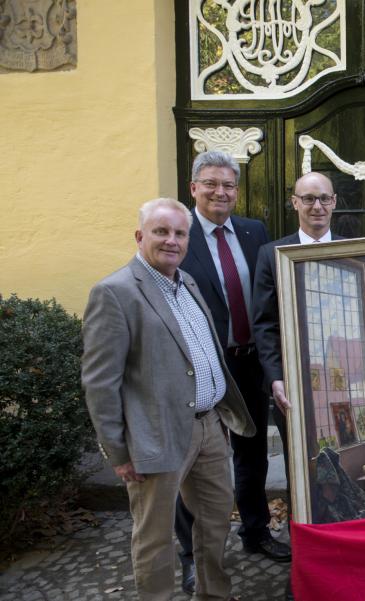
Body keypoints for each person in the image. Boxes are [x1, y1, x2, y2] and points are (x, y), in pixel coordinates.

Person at [82, 198, 255, 600]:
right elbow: (99, 382)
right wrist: (119, 453)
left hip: (209, 426)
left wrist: (221, 414)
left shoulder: (187, 282)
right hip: (154, 436)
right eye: (161, 232)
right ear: (140, 236)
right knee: (154, 536)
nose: (171, 241)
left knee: (215, 521)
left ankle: (214, 594)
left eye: (179, 233)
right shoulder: (115, 293)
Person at [173, 151, 288, 594]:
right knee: (193, 460)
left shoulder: (253, 231)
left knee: (252, 452)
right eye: (211, 184)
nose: (220, 192)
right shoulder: (180, 235)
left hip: (248, 361)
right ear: (193, 188)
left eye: (228, 185)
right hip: (201, 366)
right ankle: (192, 556)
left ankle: (256, 532)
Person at [253, 172, 342, 471]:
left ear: (334, 203)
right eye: (308, 198)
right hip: (293, 382)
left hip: (343, 376)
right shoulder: (271, 255)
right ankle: (300, 520)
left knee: (345, 460)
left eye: (324, 198)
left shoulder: (354, 249)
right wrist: (276, 377)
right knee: (301, 466)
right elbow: (264, 324)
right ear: (294, 203)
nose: (317, 206)